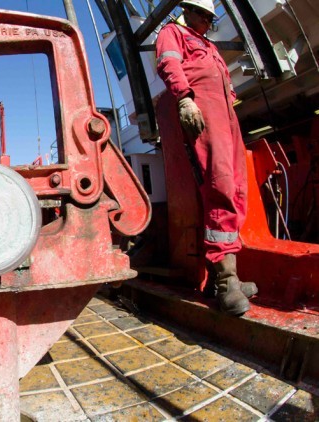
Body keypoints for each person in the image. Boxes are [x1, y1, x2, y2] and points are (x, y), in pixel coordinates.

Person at [155, 0, 258, 316]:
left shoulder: (207, 44)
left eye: (213, 19)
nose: (210, 23)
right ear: (189, 11)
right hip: (204, 112)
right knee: (220, 186)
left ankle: (228, 277)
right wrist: (185, 101)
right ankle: (226, 282)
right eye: (206, 17)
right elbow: (168, 65)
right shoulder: (173, 32)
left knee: (237, 188)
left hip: (227, 117)